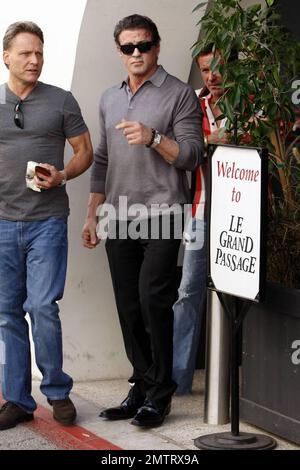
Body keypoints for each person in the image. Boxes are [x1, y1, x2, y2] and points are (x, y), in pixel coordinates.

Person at [82, 14, 203, 427]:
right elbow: (101, 160)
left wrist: (153, 138)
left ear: (157, 46)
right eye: (128, 47)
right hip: (118, 215)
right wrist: (91, 213)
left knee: (154, 300)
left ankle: (160, 393)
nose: (137, 53)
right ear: (119, 51)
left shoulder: (180, 93)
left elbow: (191, 155)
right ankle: (142, 385)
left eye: (144, 45)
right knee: (129, 306)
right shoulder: (109, 98)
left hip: (164, 212)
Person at [0, 21, 93, 430]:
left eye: (39, 52)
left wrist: (62, 175)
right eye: (25, 53)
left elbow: (85, 152)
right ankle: (18, 400)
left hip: (47, 222)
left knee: (41, 307)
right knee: (6, 314)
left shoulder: (61, 101)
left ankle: (57, 391)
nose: (35, 59)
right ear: (6, 57)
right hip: (2, 223)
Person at [172, 43, 229, 394]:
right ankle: (177, 382)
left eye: (218, 68)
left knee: (241, 294)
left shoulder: (252, 102)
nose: (213, 77)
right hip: (201, 211)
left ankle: (244, 379)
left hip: (246, 213)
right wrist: (212, 139)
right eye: (206, 70)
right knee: (188, 290)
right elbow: (183, 143)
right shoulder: (193, 101)